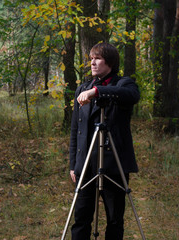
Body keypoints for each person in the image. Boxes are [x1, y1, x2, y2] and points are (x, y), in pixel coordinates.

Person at [69, 42, 140, 240]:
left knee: (114, 219)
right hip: (85, 165)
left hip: (113, 164)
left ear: (110, 62)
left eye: (97, 58)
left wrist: (97, 92)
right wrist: (73, 164)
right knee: (81, 218)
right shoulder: (82, 88)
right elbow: (76, 130)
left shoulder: (123, 84)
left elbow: (132, 95)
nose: (92, 63)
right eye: (91, 58)